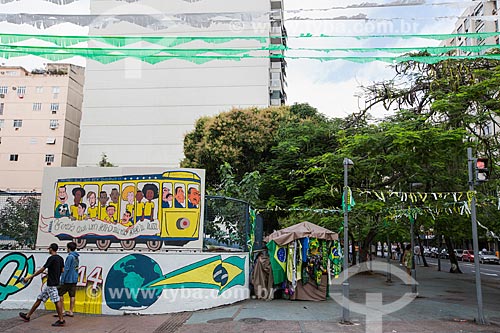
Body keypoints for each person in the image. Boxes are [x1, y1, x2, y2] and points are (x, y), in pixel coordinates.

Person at [19, 243, 66, 327]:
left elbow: (42, 269)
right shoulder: (60, 258)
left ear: (51, 249)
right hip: (52, 283)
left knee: (56, 300)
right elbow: (62, 270)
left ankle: (61, 320)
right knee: (39, 298)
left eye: (49, 249)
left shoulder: (51, 258)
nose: (48, 250)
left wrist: (30, 277)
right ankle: (27, 316)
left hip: (52, 284)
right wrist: (51, 272)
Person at [57, 241, 79, 318]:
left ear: (69, 248)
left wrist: (62, 279)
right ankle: (71, 311)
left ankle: (62, 310)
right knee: (72, 295)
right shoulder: (76, 257)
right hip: (74, 278)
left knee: (60, 293)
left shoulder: (70, 257)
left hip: (68, 279)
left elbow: (66, 269)